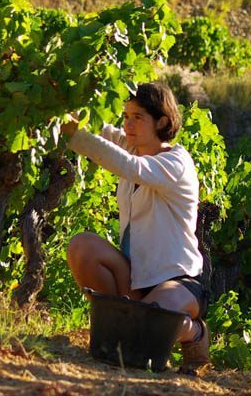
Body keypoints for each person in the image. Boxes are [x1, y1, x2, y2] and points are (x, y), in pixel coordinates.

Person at [61, 81, 210, 372]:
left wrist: (73, 135)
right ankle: (120, 328)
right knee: (81, 247)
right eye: (126, 116)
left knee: (151, 321)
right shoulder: (134, 147)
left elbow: (131, 167)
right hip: (135, 276)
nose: (128, 124)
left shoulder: (176, 162)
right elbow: (101, 132)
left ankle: (195, 333)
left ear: (162, 121)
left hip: (177, 280)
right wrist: (61, 106)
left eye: (138, 117)